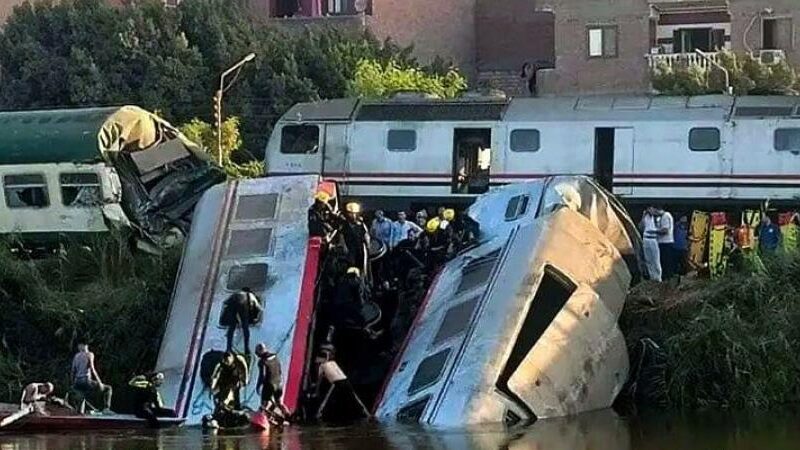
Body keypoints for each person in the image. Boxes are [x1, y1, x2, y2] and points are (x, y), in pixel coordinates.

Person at [70, 343, 113, 414]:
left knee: (82, 398)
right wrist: (99, 382)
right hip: (86, 381)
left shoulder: (76, 356)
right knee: (108, 389)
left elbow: (72, 371)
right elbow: (92, 369)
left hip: (77, 382)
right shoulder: (89, 354)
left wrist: (72, 384)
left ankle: (80, 414)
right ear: (86, 346)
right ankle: (106, 408)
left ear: (80, 346)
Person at [219, 287, 263, 355]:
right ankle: (246, 349)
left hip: (233, 311)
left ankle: (228, 348)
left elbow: (225, 302)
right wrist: (256, 317)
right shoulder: (250, 295)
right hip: (244, 310)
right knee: (245, 329)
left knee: (231, 328)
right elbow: (258, 307)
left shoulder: (235, 294)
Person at [254, 343, 290, 422]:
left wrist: (258, 385)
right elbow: (279, 370)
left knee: (264, 404)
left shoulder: (262, 362)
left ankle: (261, 420)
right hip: (279, 384)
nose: (257, 355)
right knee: (279, 402)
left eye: (257, 352)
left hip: (269, 384)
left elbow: (262, 375)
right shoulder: (275, 357)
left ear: (260, 351)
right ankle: (288, 416)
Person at [341, 202, 370, 276]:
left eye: (355, 213)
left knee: (362, 266)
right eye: (351, 213)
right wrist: (344, 247)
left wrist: (368, 244)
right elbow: (341, 237)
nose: (353, 215)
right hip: (350, 249)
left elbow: (366, 234)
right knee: (350, 265)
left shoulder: (361, 224)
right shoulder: (344, 225)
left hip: (360, 248)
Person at [640, 208, 662, 282]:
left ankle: (658, 278)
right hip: (646, 238)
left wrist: (653, 213)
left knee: (655, 260)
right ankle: (652, 277)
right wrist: (643, 216)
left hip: (653, 239)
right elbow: (641, 227)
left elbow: (659, 216)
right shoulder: (645, 217)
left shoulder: (657, 217)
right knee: (648, 259)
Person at [655, 207, 675, 279]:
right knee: (666, 261)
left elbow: (665, 230)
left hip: (665, 242)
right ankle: (668, 276)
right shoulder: (663, 217)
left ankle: (667, 276)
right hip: (665, 242)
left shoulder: (665, 216)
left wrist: (654, 231)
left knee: (665, 261)